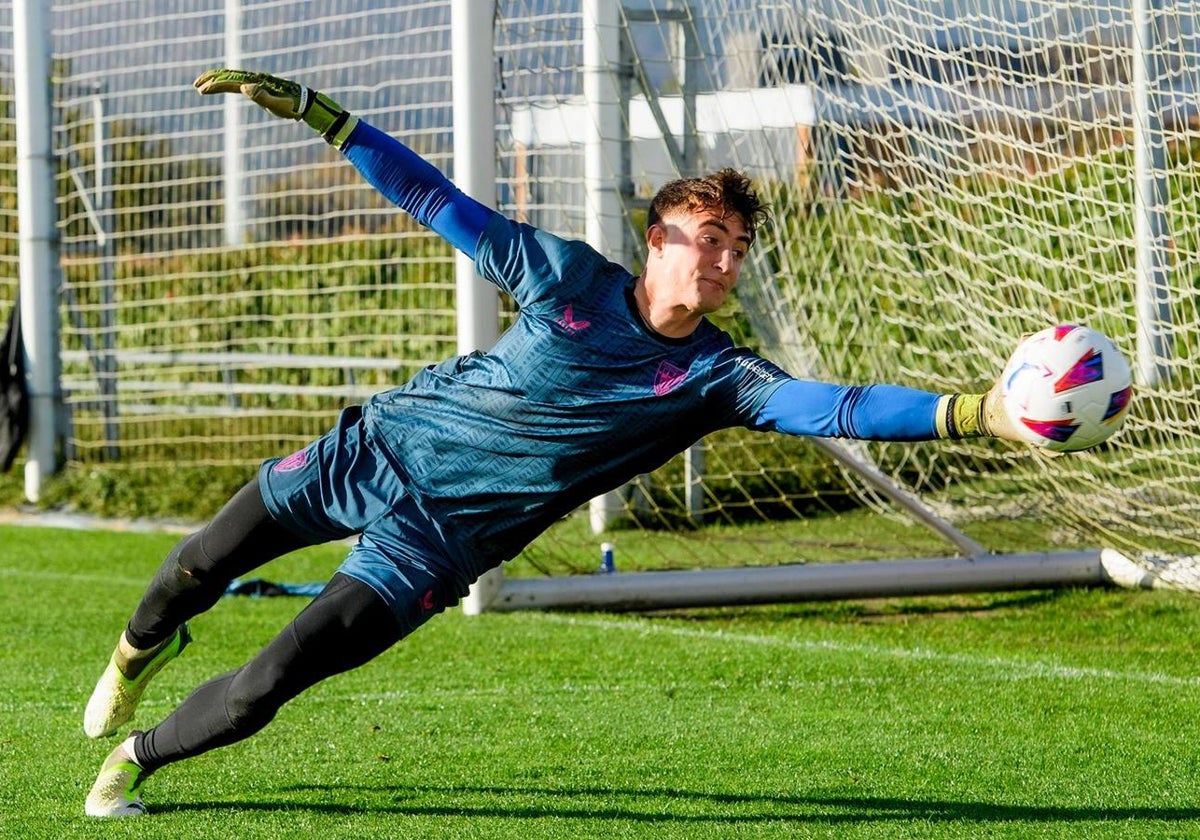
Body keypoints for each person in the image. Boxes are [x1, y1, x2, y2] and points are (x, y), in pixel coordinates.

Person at [83, 68, 1022, 818]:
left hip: (439, 546)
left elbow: (840, 406)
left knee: (266, 685)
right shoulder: (568, 277)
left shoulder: (719, 378)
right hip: (372, 452)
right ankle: (134, 658)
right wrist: (331, 121)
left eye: (738, 247)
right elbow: (438, 202)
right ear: (656, 240)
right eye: (709, 238)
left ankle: (133, 761)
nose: (726, 261)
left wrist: (978, 413)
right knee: (193, 565)